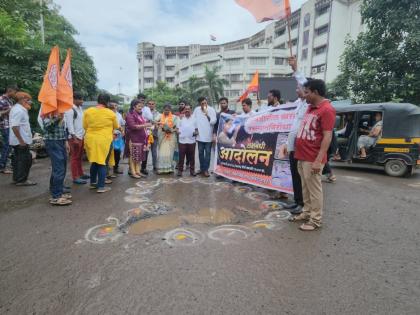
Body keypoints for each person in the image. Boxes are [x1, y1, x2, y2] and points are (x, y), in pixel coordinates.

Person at [290, 79, 336, 231]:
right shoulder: (310, 108)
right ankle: (306, 212)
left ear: (315, 92)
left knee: (314, 190)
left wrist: (318, 160)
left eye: (307, 92)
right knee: (305, 188)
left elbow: (327, 136)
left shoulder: (327, 109)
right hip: (302, 156)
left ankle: (315, 220)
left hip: (312, 158)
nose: (305, 95)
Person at [282, 56, 308, 214]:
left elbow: (304, 82)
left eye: (299, 88)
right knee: (295, 176)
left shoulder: (309, 103)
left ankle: (303, 204)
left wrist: (295, 68)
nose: (296, 90)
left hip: (301, 147)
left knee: (301, 177)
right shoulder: (299, 104)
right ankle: (297, 201)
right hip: (293, 147)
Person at [83, 94, 119, 193]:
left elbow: (85, 126)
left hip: (90, 139)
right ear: (107, 102)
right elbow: (115, 126)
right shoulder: (110, 113)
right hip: (103, 140)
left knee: (94, 161)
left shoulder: (88, 111)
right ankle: (101, 187)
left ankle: (93, 183)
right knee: (102, 162)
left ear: (97, 101)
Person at [42, 112, 71, 206]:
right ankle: (56, 197)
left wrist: (65, 141)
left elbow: (63, 129)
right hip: (52, 142)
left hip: (60, 141)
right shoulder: (47, 113)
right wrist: (58, 118)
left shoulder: (60, 112)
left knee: (61, 166)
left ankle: (57, 190)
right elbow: (47, 127)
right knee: (59, 168)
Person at [9, 92, 36, 186]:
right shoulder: (18, 110)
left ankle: (17, 178)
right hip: (20, 141)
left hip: (19, 140)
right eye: (27, 99)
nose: (29, 101)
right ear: (21, 99)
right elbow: (14, 126)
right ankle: (22, 180)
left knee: (18, 160)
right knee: (25, 160)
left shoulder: (20, 109)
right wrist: (21, 140)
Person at [64, 92, 88, 185]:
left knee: (79, 157)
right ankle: (75, 177)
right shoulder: (70, 110)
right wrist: (74, 138)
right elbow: (69, 125)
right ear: (74, 99)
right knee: (74, 158)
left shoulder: (80, 109)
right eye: (80, 99)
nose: (82, 101)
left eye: (82, 99)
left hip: (81, 136)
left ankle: (81, 173)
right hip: (75, 137)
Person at [125, 100, 151, 178]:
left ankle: (138, 171)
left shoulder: (140, 115)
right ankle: (133, 172)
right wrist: (145, 125)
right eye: (139, 106)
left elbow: (142, 125)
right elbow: (133, 126)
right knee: (133, 156)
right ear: (134, 107)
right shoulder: (130, 115)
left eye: (141, 106)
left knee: (138, 156)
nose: (141, 108)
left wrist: (148, 125)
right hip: (133, 139)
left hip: (140, 139)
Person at [193, 97, 216, 177]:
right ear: (200, 104)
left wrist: (207, 115)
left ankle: (206, 170)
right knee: (200, 153)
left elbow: (213, 121)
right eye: (202, 103)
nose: (204, 105)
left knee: (208, 153)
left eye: (205, 103)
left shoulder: (211, 110)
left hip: (208, 136)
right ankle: (202, 168)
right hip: (200, 136)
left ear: (207, 102)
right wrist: (195, 130)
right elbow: (194, 120)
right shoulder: (196, 110)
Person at [156, 104, 179, 174]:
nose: (166, 111)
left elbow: (176, 128)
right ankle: (161, 169)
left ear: (170, 110)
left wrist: (171, 130)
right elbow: (155, 123)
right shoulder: (159, 116)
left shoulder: (175, 117)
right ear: (163, 110)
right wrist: (159, 126)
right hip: (162, 137)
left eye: (168, 110)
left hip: (171, 138)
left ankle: (169, 169)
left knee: (170, 154)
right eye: (165, 110)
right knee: (161, 153)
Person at [0, 86, 18, 174]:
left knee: (9, 146)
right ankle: (2, 166)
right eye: (14, 92)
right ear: (9, 91)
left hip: (11, 126)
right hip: (5, 126)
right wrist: (9, 110)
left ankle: (6, 164)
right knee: (7, 146)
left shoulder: (10, 100)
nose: (15, 94)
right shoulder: (1, 99)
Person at [177, 104, 198, 176]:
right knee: (181, 157)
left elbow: (196, 130)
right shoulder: (180, 118)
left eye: (189, 109)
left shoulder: (194, 119)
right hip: (182, 141)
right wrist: (178, 131)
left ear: (191, 110)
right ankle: (180, 171)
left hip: (191, 141)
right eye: (186, 109)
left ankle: (192, 171)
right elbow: (177, 129)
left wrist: (195, 133)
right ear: (184, 110)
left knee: (192, 157)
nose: (187, 110)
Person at [109, 101, 125, 175]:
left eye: (116, 105)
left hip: (118, 136)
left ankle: (115, 168)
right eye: (113, 106)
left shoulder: (118, 115)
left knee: (117, 153)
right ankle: (107, 171)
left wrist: (122, 131)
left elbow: (122, 124)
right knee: (109, 153)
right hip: (109, 135)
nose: (114, 107)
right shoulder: (107, 114)